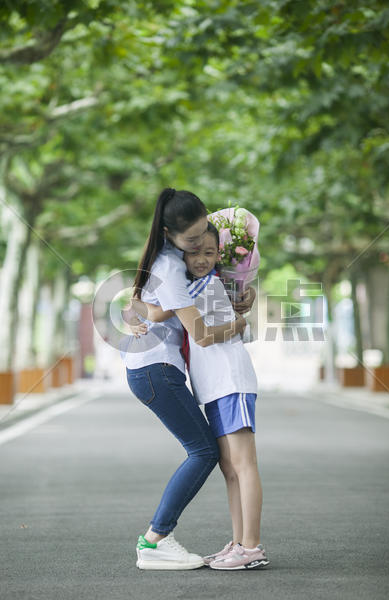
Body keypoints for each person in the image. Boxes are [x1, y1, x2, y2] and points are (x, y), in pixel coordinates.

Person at [120, 188, 251, 571]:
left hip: (154, 369)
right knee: (205, 452)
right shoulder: (171, 267)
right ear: (168, 233)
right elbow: (202, 333)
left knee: (203, 451)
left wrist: (241, 295)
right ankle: (155, 539)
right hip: (156, 371)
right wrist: (241, 323)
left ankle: (155, 539)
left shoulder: (172, 258)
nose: (198, 245)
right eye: (191, 240)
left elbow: (154, 310)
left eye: (203, 234)